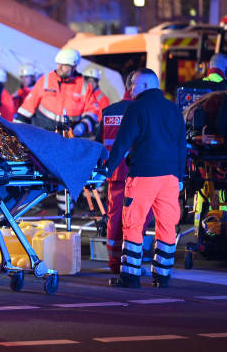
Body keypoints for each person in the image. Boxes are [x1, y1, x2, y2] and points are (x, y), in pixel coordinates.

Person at [103, 68, 186, 288]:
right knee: (167, 225)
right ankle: (163, 276)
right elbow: (181, 145)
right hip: (170, 178)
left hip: (144, 175)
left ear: (146, 85)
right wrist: (180, 176)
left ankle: (130, 277)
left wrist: (107, 169)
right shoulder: (173, 109)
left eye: (134, 84)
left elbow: (122, 143)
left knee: (133, 223)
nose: (131, 88)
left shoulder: (136, 108)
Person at [96, 71, 153, 273]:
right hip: (139, 174)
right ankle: (131, 262)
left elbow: (99, 144)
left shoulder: (109, 111)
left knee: (115, 218)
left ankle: (114, 262)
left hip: (115, 175)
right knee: (138, 219)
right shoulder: (144, 110)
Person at [14, 48, 100, 137]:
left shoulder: (84, 86)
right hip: (43, 132)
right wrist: (16, 127)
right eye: (58, 64)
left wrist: (83, 126)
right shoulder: (46, 80)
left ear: (74, 67)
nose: (59, 68)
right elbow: (28, 106)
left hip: (69, 136)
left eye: (64, 65)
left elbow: (93, 110)